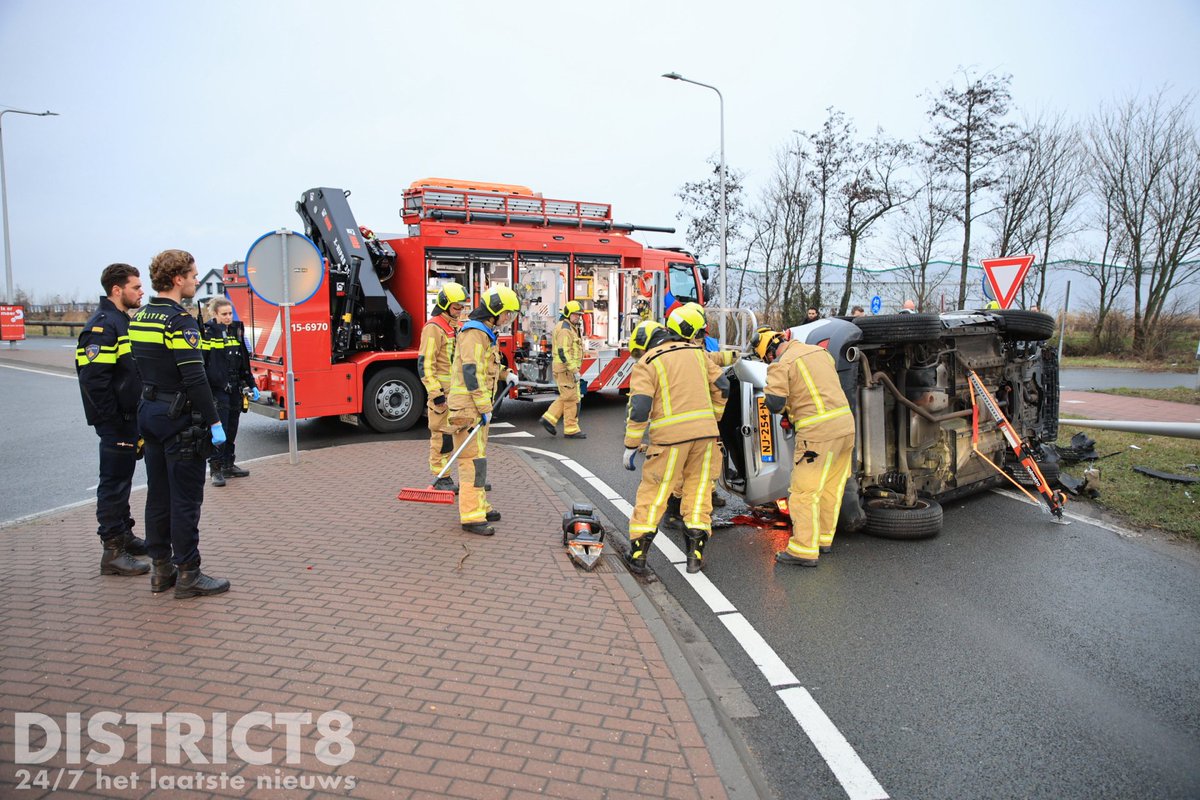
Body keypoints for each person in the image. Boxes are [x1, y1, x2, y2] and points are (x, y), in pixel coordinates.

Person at [129, 249, 229, 598]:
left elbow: (138, 369)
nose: (195, 281)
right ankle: (189, 573)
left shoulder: (140, 317)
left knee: (158, 495)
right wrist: (215, 421)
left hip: (150, 412)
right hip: (179, 419)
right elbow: (195, 378)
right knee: (185, 499)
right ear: (177, 279)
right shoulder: (179, 321)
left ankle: (161, 569)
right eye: (192, 275)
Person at [623, 305, 729, 575]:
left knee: (654, 492)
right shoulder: (697, 353)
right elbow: (723, 386)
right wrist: (713, 419)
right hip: (706, 439)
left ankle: (638, 554)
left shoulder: (647, 363)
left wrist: (631, 445)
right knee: (698, 493)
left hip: (669, 441)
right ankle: (694, 555)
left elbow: (639, 407)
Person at [751, 327, 855, 567]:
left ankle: (803, 550)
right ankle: (823, 540)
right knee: (831, 487)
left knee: (804, 492)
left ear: (768, 354)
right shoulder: (819, 353)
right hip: (846, 427)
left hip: (818, 434)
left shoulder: (780, 364)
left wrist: (778, 401)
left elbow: (775, 404)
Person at [76, 263, 148, 577]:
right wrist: (115, 419)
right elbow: (93, 380)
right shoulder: (102, 326)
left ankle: (125, 534)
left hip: (127, 417)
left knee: (124, 481)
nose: (141, 291)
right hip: (116, 421)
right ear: (117, 290)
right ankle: (113, 551)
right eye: (135, 287)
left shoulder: (121, 321)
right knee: (114, 483)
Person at [447, 285, 520, 536]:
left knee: (479, 460)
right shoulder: (474, 334)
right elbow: (471, 372)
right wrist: (484, 406)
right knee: (470, 463)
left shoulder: (485, 333)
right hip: (468, 409)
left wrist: (505, 373)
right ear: (495, 311)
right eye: (507, 313)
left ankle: (479, 505)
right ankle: (471, 516)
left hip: (475, 408)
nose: (509, 319)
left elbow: (486, 368)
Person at [202, 298, 259, 487]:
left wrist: (251, 384)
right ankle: (216, 469)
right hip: (218, 390)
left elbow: (244, 360)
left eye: (229, 313)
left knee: (233, 428)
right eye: (224, 314)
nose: (228, 317)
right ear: (214, 314)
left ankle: (228, 464)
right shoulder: (208, 333)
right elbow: (204, 362)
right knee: (221, 430)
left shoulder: (236, 330)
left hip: (235, 387)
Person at [419, 281, 468, 491]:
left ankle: (468, 475)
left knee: (462, 432)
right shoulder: (434, 328)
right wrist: (435, 393)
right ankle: (441, 477)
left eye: (462, 307)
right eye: (456, 307)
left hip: (457, 393)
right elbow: (425, 364)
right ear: (445, 304)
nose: (460, 311)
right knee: (441, 435)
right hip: (442, 393)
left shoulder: (457, 326)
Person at [540, 300, 587, 439]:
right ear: (568, 314)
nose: (578, 317)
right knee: (571, 398)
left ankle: (549, 419)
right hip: (566, 370)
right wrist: (574, 370)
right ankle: (571, 429)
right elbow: (563, 352)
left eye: (579, 315)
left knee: (569, 396)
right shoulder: (565, 329)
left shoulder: (570, 326)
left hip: (566, 369)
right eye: (575, 314)